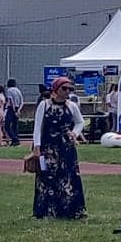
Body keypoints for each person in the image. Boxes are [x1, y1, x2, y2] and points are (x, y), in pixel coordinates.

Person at [30, 76, 86, 220]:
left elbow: (80, 122)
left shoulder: (72, 106)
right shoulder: (44, 105)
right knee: (47, 177)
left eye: (70, 89)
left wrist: (75, 133)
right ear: (55, 89)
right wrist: (37, 146)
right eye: (64, 88)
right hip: (49, 147)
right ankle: (46, 211)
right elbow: (38, 127)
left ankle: (71, 210)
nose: (67, 91)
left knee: (69, 176)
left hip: (66, 147)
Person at [3, 78, 24, 146]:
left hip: (11, 109)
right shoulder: (18, 90)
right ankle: (15, 141)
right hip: (17, 108)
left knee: (7, 125)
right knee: (15, 126)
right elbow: (22, 101)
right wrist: (18, 110)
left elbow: (11, 100)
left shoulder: (9, 90)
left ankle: (15, 139)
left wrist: (14, 110)